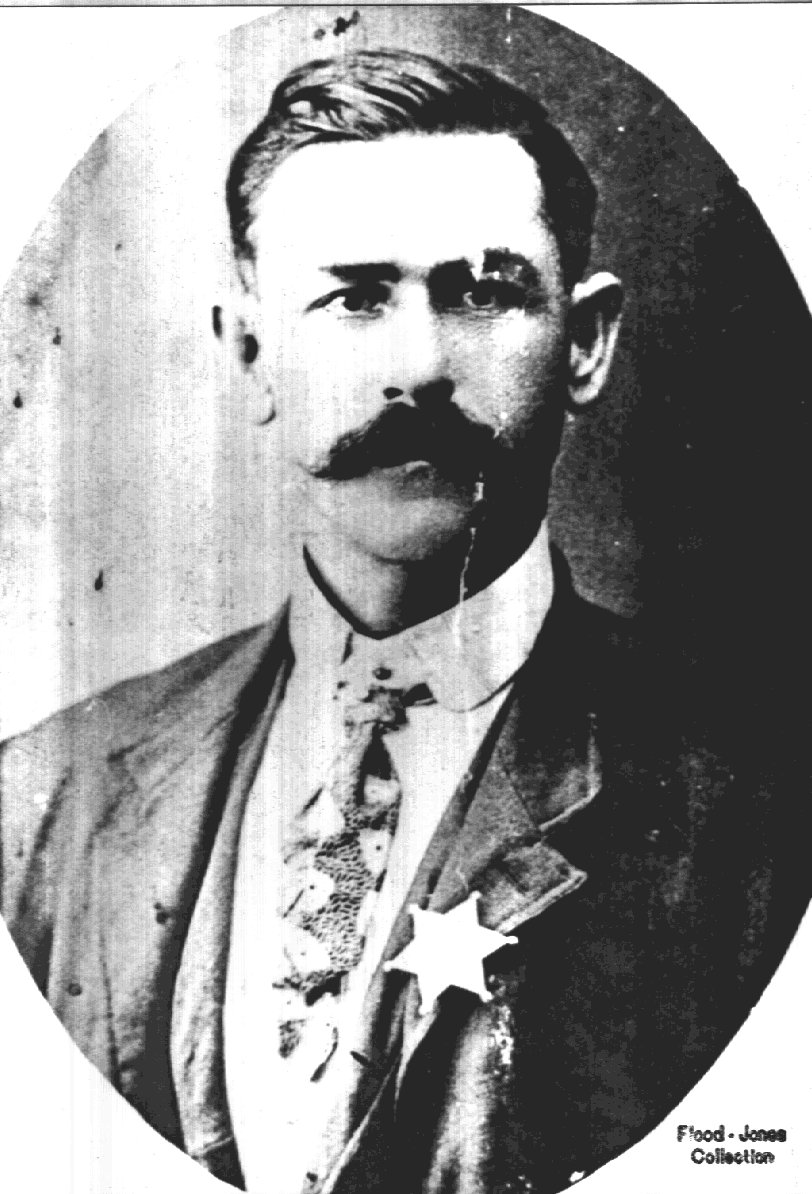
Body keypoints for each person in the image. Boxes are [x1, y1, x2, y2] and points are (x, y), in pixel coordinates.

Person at [0, 49, 787, 1194]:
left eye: (483, 292)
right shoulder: (42, 803)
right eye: (354, 296)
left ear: (583, 344)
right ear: (252, 353)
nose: (418, 368)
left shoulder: (760, 807)